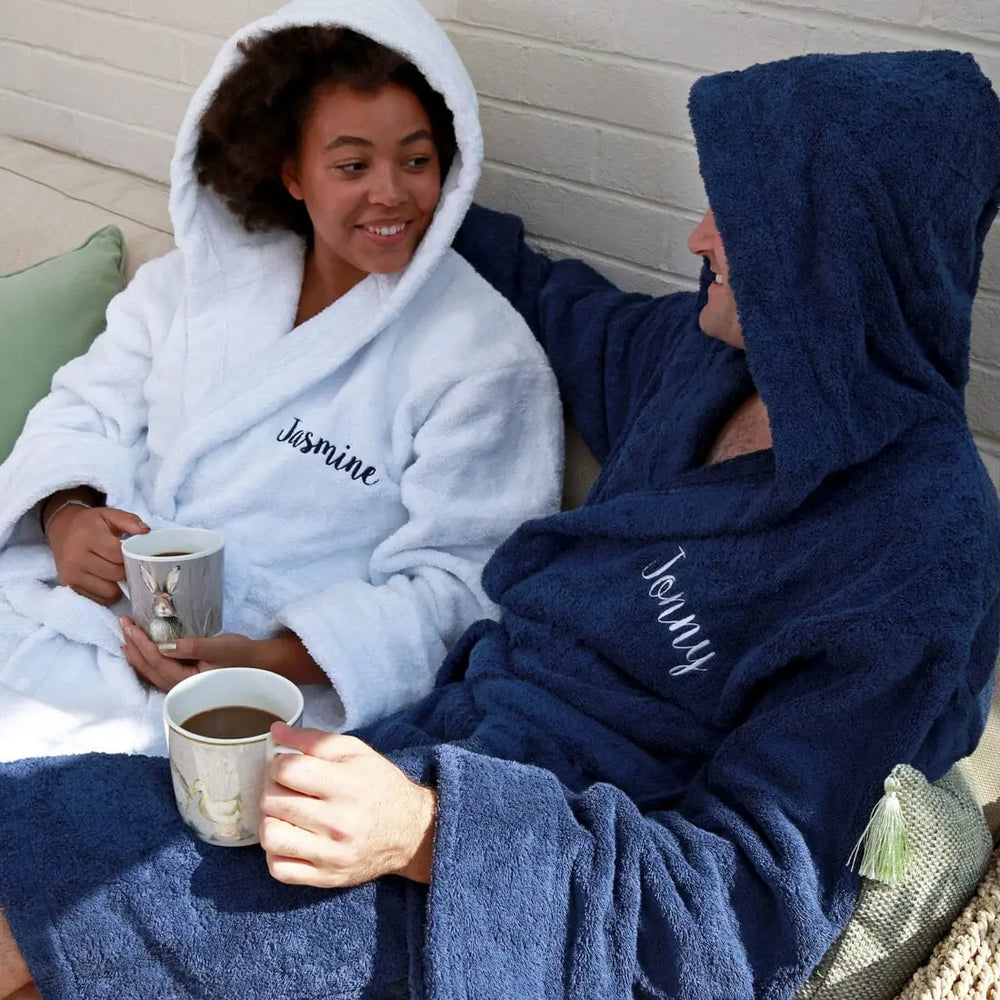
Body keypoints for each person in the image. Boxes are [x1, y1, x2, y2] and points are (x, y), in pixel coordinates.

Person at [2, 47, 1000, 1000]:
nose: (699, 239)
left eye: (735, 220)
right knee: (39, 829)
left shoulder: (915, 550)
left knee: (76, 904)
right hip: (425, 755)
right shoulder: (708, 361)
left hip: (505, 905)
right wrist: (371, 183)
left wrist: (428, 834)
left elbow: (734, 920)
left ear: (837, 252)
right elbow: (546, 293)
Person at [0, 0, 563, 759]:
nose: (391, 193)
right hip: (74, 613)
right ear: (293, 173)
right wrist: (66, 515)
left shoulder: (481, 359)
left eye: (417, 160)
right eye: (353, 165)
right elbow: (80, 408)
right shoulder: (189, 286)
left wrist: (266, 660)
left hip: (259, 691)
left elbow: (462, 585)